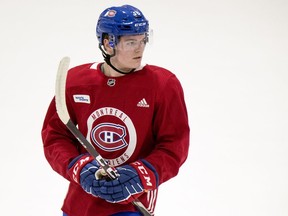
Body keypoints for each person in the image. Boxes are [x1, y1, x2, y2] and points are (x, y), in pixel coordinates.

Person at [41, 4, 190, 216]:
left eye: (143, 40)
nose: (140, 48)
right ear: (107, 43)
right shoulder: (75, 81)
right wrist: (79, 167)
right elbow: (55, 136)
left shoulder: (163, 85)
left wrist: (138, 175)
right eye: (131, 42)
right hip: (79, 205)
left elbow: (174, 146)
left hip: (132, 204)